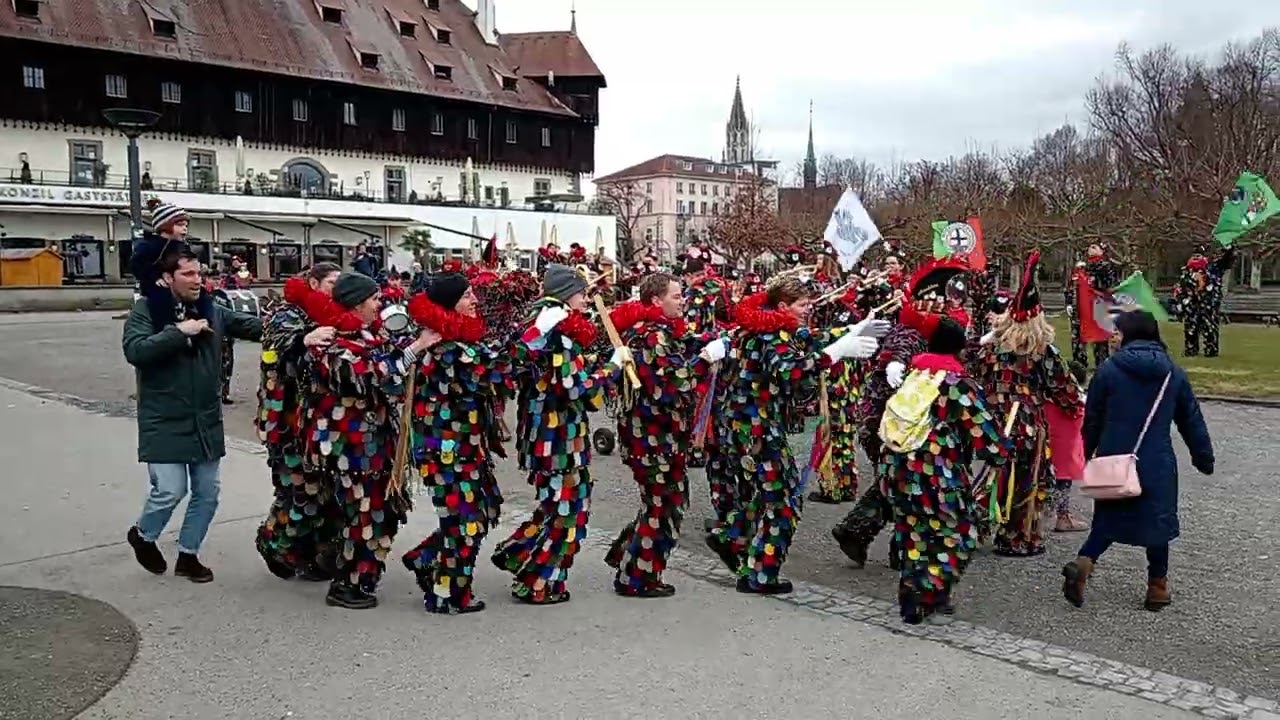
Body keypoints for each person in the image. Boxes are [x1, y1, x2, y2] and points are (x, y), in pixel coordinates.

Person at [705, 274, 884, 594]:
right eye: (803, 305)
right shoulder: (770, 336)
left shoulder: (771, 327)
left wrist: (852, 331)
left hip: (750, 428)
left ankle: (731, 538)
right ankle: (762, 574)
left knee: (770, 492)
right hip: (757, 430)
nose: (808, 309)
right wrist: (837, 352)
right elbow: (792, 369)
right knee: (785, 499)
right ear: (784, 305)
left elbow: (809, 338)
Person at [123, 242, 263, 583]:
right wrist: (177, 332)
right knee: (169, 490)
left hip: (205, 419)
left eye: (199, 272)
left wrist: (299, 330)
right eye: (187, 273)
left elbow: (251, 326)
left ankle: (188, 555)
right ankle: (143, 534)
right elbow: (135, 350)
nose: (197, 279)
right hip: (164, 419)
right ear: (167, 277)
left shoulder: (211, 308)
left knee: (207, 492)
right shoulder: (146, 310)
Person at [491, 264, 629, 605]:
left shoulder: (551, 326)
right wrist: (612, 368)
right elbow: (573, 387)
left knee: (561, 506)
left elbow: (563, 371)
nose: (587, 299)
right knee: (567, 512)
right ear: (568, 294)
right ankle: (537, 581)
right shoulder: (559, 329)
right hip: (557, 438)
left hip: (552, 435)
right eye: (583, 293)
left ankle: (517, 553)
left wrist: (598, 359)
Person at [303, 272, 440, 609]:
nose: (380, 303)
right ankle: (347, 584)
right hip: (350, 448)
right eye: (374, 298)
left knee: (376, 512)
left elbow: (387, 354)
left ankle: (355, 573)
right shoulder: (331, 342)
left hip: (374, 445)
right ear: (356, 302)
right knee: (365, 513)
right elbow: (374, 373)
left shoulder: (366, 333)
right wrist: (416, 348)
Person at [1062, 310, 1214, 612]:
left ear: (1132, 334)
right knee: (1157, 524)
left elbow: (1091, 419)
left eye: (1117, 332)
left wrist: (1085, 452)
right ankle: (1157, 587)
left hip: (1113, 459)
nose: (1113, 337)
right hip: (1156, 461)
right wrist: (1203, 457)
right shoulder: (1173, 372)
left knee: (1108, 520)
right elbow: (1191, 419)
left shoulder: (1107, 371)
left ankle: (1085, 563)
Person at [881, 317, 1009, 623]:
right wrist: (1002, 452)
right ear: (960, 349)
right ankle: (930, 589)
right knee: (958, 532)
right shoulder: (956, 383)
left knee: (914, 532)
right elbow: (982, 428)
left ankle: (912, 596)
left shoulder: (916, 373)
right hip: (934, 472)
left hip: (897, 467)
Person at [605, 273, 721, 597]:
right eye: (675, 295)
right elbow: (671, 386)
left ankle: (629, 557)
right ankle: (636, 578)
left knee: (665, 501)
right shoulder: (652, 335)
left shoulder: (659, 332)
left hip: (660, 438)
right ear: (656, 301)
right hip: (652, 438)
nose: (682, 300)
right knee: (664, 504)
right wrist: (705, 359)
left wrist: (706, 344)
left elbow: (680, 351)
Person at [401, 272, 511, 614]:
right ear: (450, 304)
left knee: (482, 509)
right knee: (463, 521)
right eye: (466, 295)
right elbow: (496, 368)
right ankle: (447, 595)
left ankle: (425, 559)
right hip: (446, 451)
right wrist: (536, 334)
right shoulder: (446, 347)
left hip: (467, 447)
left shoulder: (459, 339)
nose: (474, 300)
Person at [972, 251, 1082, 557]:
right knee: (1026, 479)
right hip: (1026, 423)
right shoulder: (1040, 351)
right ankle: (1018, 536)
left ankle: (974, 522)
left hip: (992, 421)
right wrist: (1075, 405)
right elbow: (1064, 387)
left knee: (995, 473)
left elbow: (974, 372)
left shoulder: (992, 347)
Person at [254, 263, 343, 581]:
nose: (337, 287)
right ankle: (272, 540)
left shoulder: (334, 312)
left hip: (321, 421)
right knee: (298, 492)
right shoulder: (287, 313)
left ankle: (310, 554)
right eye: (332, 282)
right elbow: (282, 346)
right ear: (314, 282)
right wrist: (306, 338)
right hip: (287, 419)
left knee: (324, 491)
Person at [1046, 360, 1089, 533]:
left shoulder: (1048, 396)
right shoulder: (1077, 401)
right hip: (1067, 448)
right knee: (1063, 483)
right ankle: (1062, 516)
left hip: (1048, 445)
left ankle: (1041, 516)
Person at [1174, 243, 1236, 358]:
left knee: (1210, 327)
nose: (1196, 258)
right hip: (1192, 304)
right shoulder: (1187, 272)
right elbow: (1181, 288)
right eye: (1194, 255)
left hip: (1208, 303)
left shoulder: (1212, 269)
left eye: (1199, 255)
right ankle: (1191, 348)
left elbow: (1226, 261)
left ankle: (1211, 349)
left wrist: (1229, 249)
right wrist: (1181, 302)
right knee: (1191, 328)